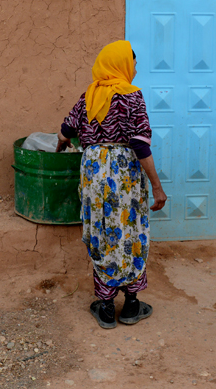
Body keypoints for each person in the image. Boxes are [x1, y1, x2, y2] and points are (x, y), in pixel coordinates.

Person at [57, 40, 167, 329]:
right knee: (130, 230)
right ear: (122, 65)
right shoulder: (132, 97)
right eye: (132, 64)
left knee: (102, 230)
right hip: (124, 174)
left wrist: (61, 145)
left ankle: (105, 306)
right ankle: (131, 305)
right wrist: (157, 185)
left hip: (93, 172)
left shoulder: (88, 97)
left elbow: (65, 130)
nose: (133, 69)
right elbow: (140, 145)